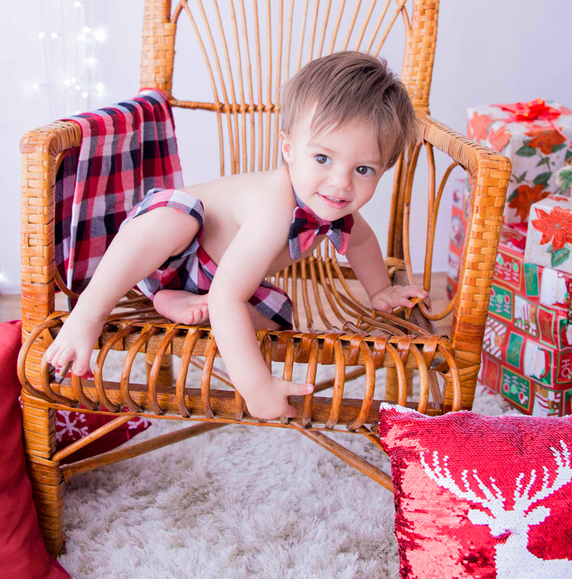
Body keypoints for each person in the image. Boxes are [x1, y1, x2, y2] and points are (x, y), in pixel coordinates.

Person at [42, 51, 429, 420]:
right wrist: (255, 385)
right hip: (166, 250)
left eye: (363, 170)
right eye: (323, 159)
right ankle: (88, 314)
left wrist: (380, 291)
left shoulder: (336, 205)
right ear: (289, 148)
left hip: (211, 277)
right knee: (177, 219)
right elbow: (229, 295)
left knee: (275, 318)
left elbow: (360, 241)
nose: (340, 183)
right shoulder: (274, 209)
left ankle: (180, 300)